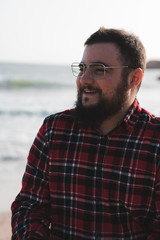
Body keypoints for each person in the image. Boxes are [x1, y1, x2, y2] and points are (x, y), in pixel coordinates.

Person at [11, 27, 160, 239]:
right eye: (82, 68)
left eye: (99, 70)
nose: (84, 79)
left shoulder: (155, 141)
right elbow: (29, 206)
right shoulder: (54, 130)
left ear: (134, 78)